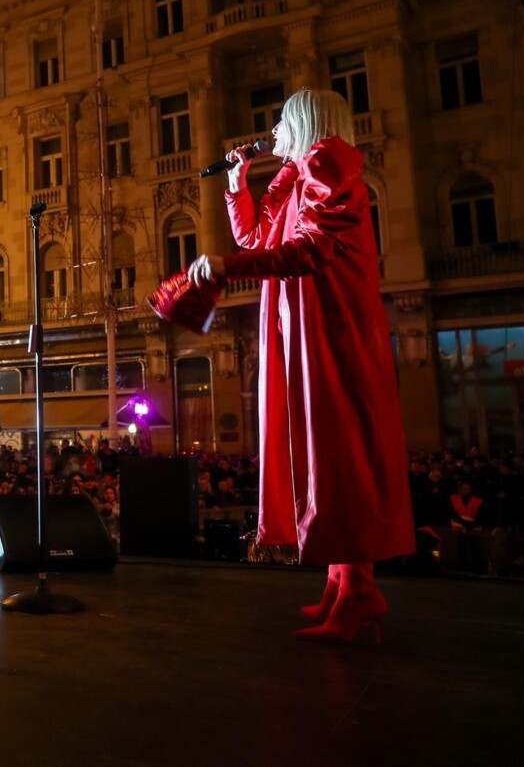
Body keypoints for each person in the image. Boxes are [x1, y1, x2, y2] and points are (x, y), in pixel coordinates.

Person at [188, 88, 414, 643]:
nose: (275, 131)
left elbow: (310, 251)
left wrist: (223, 266)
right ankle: (344, 584)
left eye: (283, 119)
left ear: (306, 121)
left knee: (335, 451)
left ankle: (359, 590)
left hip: (328, 326)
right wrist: (238, 184)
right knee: (321, 452)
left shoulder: (326, 162)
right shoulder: (298, 176)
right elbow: (259, 239)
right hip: (302, 323)